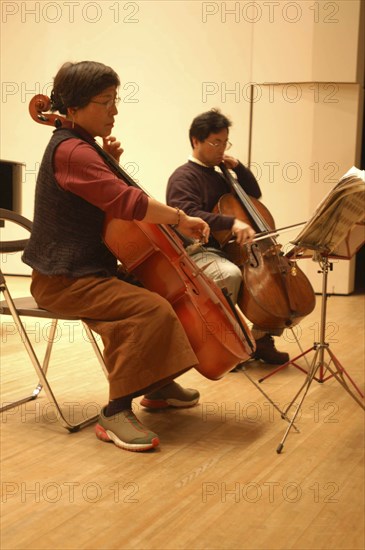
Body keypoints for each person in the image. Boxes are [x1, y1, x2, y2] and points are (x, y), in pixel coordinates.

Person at [22, 61, 211, 453]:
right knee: (149, 310)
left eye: (115, 100)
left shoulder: (80, 146)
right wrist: (180, 219)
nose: (115, 110)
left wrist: (112, 165)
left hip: (87, 270)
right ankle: (114, 411)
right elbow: (130, 203)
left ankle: (156, 388)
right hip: (63, 279)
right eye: (105, 102)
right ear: (73, 108)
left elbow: (101, 202)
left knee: (162, 291)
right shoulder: (73, 150)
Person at [166, 109, 289, 365]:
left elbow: (254, 195)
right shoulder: (183, 177)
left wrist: (239, 169)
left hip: (233, 250)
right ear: (195, 141)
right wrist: (231, 222)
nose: (221, 149)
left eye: (225, 142)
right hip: (200, 251)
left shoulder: (222, 175)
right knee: (230, 275)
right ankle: (226, 344)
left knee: (280, 278)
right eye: (215, 142)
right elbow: (187, 214)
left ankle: (262, 339)